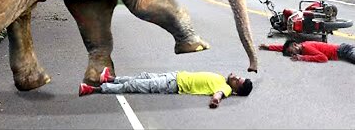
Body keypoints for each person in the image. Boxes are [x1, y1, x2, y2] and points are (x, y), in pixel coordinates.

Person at [79, 68, 253, 109]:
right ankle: (109, 78)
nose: (236, 77)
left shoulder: (225, 88)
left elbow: (219, 94)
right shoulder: (222, 79)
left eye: (238, 80)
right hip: (174, 76)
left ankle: (93, 89)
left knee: (134, 86)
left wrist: (215, 99)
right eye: (239, 76)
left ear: (236, 89)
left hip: (173, 85)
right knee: (142, 77)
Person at [259, 40, 355, 67]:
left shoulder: (306, 47)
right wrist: (268, 47)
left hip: (344, 51)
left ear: (295, 45)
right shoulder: (301, 44)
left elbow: (323, 58)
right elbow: (283, 46)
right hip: (346, 47)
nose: (291, 53)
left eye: (290, 51)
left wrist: (302, 58)